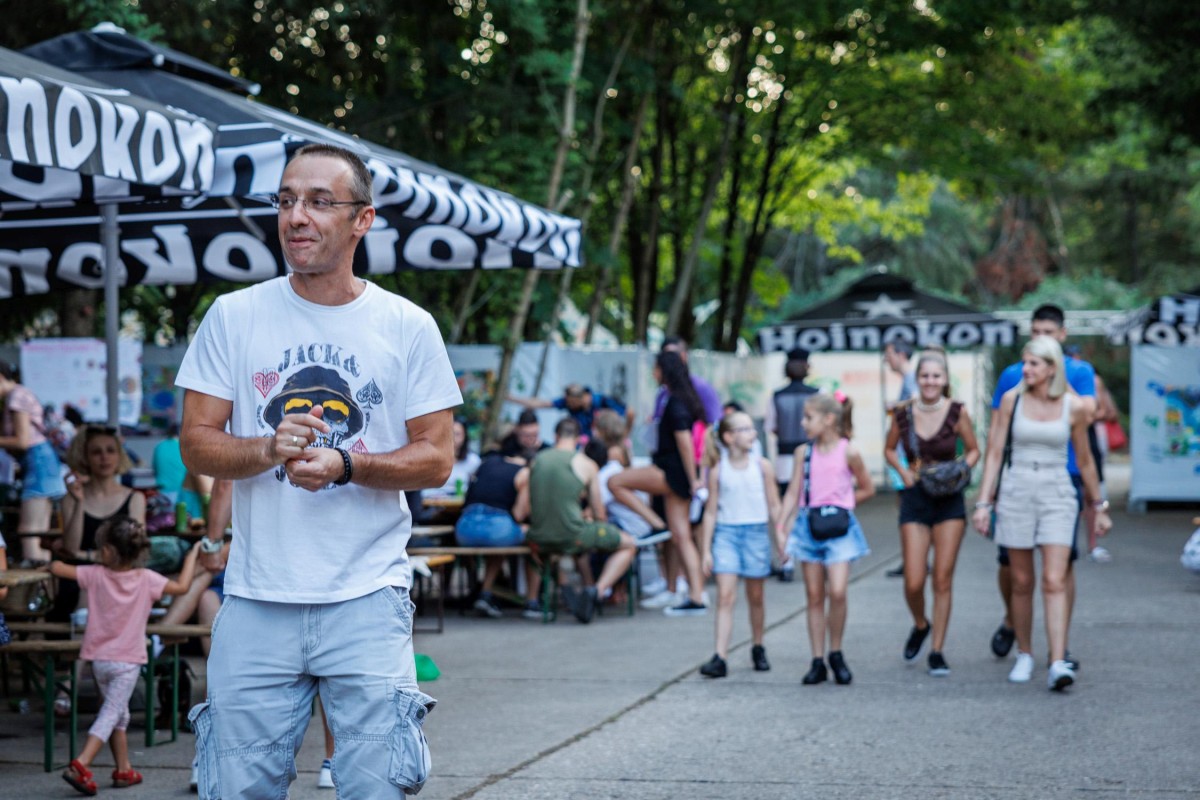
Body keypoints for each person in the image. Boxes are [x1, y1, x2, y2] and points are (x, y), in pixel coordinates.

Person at [176, 143, 462, 798]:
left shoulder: (407, 325)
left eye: (318, 201)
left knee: (376, 787)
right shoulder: (234, 315)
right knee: (237, 788)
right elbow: (196, 443)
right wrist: (266, 450)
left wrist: (346, 464)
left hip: (367, 596)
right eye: (285, 200)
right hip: (256, 597)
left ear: (362, 220)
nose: (296, 216)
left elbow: (437, 457)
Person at [972, 336, 1111, 691]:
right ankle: (1025, 653)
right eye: (1025, 362)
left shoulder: (1072, 406)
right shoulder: (1012, 400)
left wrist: (1099, 506)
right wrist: (984, 502)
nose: (1026, 369)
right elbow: (994, 452)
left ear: (1052, 368)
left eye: (1033, 363)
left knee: (1054, 578)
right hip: (1017, 487)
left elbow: (1085, 460)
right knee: (1021, 580)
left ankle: (1057, 660)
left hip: (1057, 491)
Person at [51, 516, 201, 796]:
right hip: (127, 663)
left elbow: (59, 568)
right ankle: (81, 763)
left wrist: (54, 556)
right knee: (111, 713)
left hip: (99, 661)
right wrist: (192, 555)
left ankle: (124, 769)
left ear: (108, 550)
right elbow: (182, 587)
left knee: (118, 714)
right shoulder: (147, 579)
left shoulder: (95, 574)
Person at [986, 304, 1097, 664]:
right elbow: (997, 436)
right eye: (1035, 332)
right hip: (1019, 479)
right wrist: (988, 496)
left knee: (1061, 569)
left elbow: (1089, 415)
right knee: (1013, 569)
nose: (1040, 338)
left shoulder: (1079, 372)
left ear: (1062, 335)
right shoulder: (1012, 376)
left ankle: (1059, 649)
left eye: (1047, 333)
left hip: (1065, 477)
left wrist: (1059, 383)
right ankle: (1013, 621)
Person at [883, 352, 981, 676]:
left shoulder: (957, 412)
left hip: (949, 499)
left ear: (945, 379)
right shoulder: (903, 413)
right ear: (917, 379)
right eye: (925, 376)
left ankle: (937, 650)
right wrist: (903, 471)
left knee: (942, 578)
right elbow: (889, 449)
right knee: (913, 580)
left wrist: (959, 471)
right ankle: (920, 624)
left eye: (936, 376)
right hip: (916, 496)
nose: (930, 381)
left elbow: (974, 450)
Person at [777, 393, 874, 685]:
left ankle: (836, 651)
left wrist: (843, 504)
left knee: (838, 591)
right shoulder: (803, 453)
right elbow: (793, 492)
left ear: (829, 419)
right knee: (814, 595)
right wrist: (781, 526)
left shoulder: (849, 451)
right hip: (808, 526)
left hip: (839, 529)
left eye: (809, 417)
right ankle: (817, 659)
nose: (803, 423)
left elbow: (867, 487)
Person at [609, 351, 709, 617]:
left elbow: (685, 444)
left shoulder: (675, 403)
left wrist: (693, 480)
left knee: (615, 482)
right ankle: (696, 595)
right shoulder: (680, 399)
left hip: (671, 473)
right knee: (682, 536)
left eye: (656, 369)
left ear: (665, 370)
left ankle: (655, 524)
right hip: (676, 473)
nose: (653, 373)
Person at [523, 418, 638, 624]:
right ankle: (597, 591)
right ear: (578, 439)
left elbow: (526, 506)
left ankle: (572, 587)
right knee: (629, 544)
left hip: (538, 537)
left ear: (556, 436)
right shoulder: (586, 464)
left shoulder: (536, 461)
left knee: (572, 545)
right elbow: (599, 513)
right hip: (573, 535)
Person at [697, 412, 781, 678]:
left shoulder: (762, 466)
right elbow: (710, 511)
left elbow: (774, 504)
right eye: (745, 429)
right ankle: (720, 656)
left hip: (756, 533)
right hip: (726, 535)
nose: (752, 433)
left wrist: (780, 537)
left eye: (751, 429)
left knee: (756, 596)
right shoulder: (718, 471)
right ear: (729, 437)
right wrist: (705, 550)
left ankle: (758, 645)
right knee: (725, 595)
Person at [50, 425, 148, 627]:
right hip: (77, 581)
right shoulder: (71, 498)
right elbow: (70, 547)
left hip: (119, 579)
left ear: (119, 456)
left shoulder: (135, 498)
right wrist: (79, 502)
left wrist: (84, 555)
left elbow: (135, 551)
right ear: (85, 458)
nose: (105, 457)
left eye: (110, 450)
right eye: (96, 452)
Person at [454, 432, 532, 618]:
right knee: (523, 534)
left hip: (464, 528)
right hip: (497, 529)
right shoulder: (524, 472)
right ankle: (530, 599)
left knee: (494, 543)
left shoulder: (486, 463)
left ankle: (479, 588)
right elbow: (519, 514)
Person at [0, 362, 67, 563]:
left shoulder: (17, 397)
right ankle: (44, 579)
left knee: (29, 532)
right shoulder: (19, 394)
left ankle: (35, 580)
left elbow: (22, 441)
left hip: (38, 464)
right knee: (39, 534)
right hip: (42, 464)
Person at [765, 347, 819, 583]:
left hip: (785, 459)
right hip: (814, 457)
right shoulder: (818, 394)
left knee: (788, 509)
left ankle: (786, 561)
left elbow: (772, 427)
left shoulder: (777, 396)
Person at [882, 340, 918, 578]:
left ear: (901, 354)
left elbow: (917, 399)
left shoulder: (911, 377)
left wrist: (895, 406)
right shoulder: (908, 377)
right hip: (904, 454)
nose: (887, 359)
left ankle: (913, 561)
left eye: (889, 354)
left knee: (908, 509)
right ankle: (912, 560)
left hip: (907, 455)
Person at [508, 383, 627, 439]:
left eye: (571, 403)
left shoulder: (603, 401)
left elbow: (629, 413)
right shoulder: (568, 402)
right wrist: (513, 399)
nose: (568, 405)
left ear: (580, 398)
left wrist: (624, 434)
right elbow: (543, 404)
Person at [429, 417, 481, 497]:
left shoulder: (473, 461)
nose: (453, 438)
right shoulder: (433, 458)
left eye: (457, 434)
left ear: (465, 436)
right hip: (431, 500)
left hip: (459, 502)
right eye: (450, 433)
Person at [152, 423, 187, 505]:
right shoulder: (184, 448)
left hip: (161, 492)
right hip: (180, 493)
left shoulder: (159, 446)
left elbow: (155, 469)